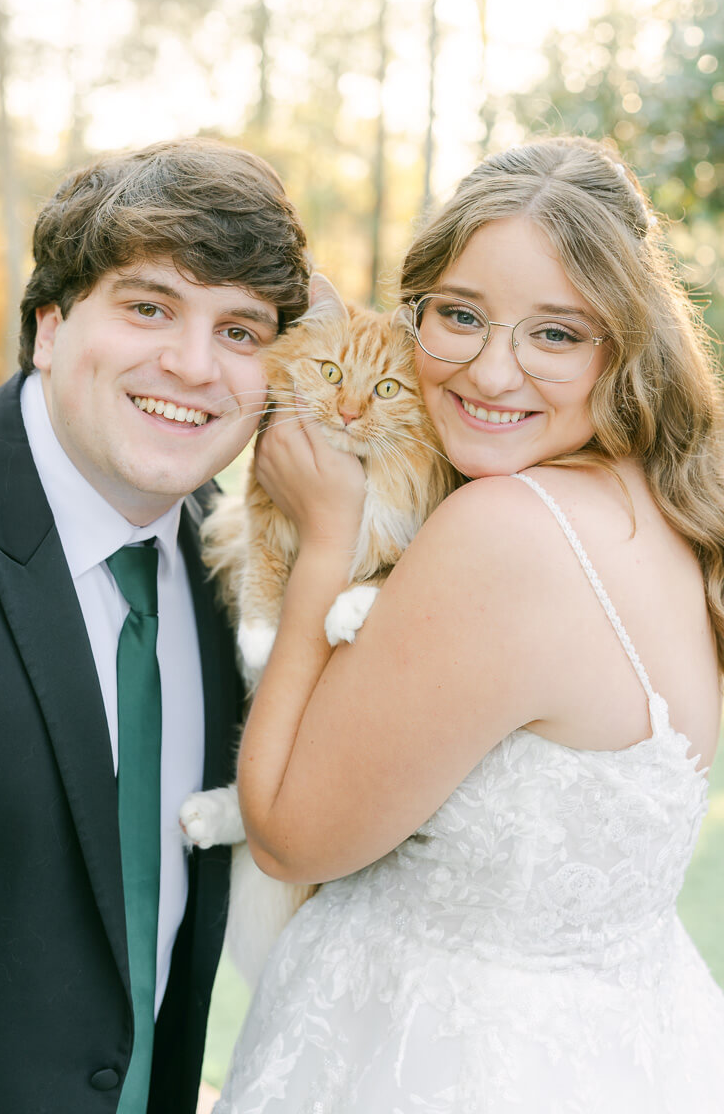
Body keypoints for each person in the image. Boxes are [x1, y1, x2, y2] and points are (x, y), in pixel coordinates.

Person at [211, 137, 724, 1112]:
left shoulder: (504, 533)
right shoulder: (665, 508)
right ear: (412, 310)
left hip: (423, 1064)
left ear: (624, 343)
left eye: (554, 334)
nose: (491, 373)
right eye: (457, 317)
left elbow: (286, 834)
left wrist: (324, 545)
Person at [0, 138, 309, 1114]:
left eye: (241, 330)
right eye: (148, 307)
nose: (191, 365)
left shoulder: (241, 570)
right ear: (49, 326)